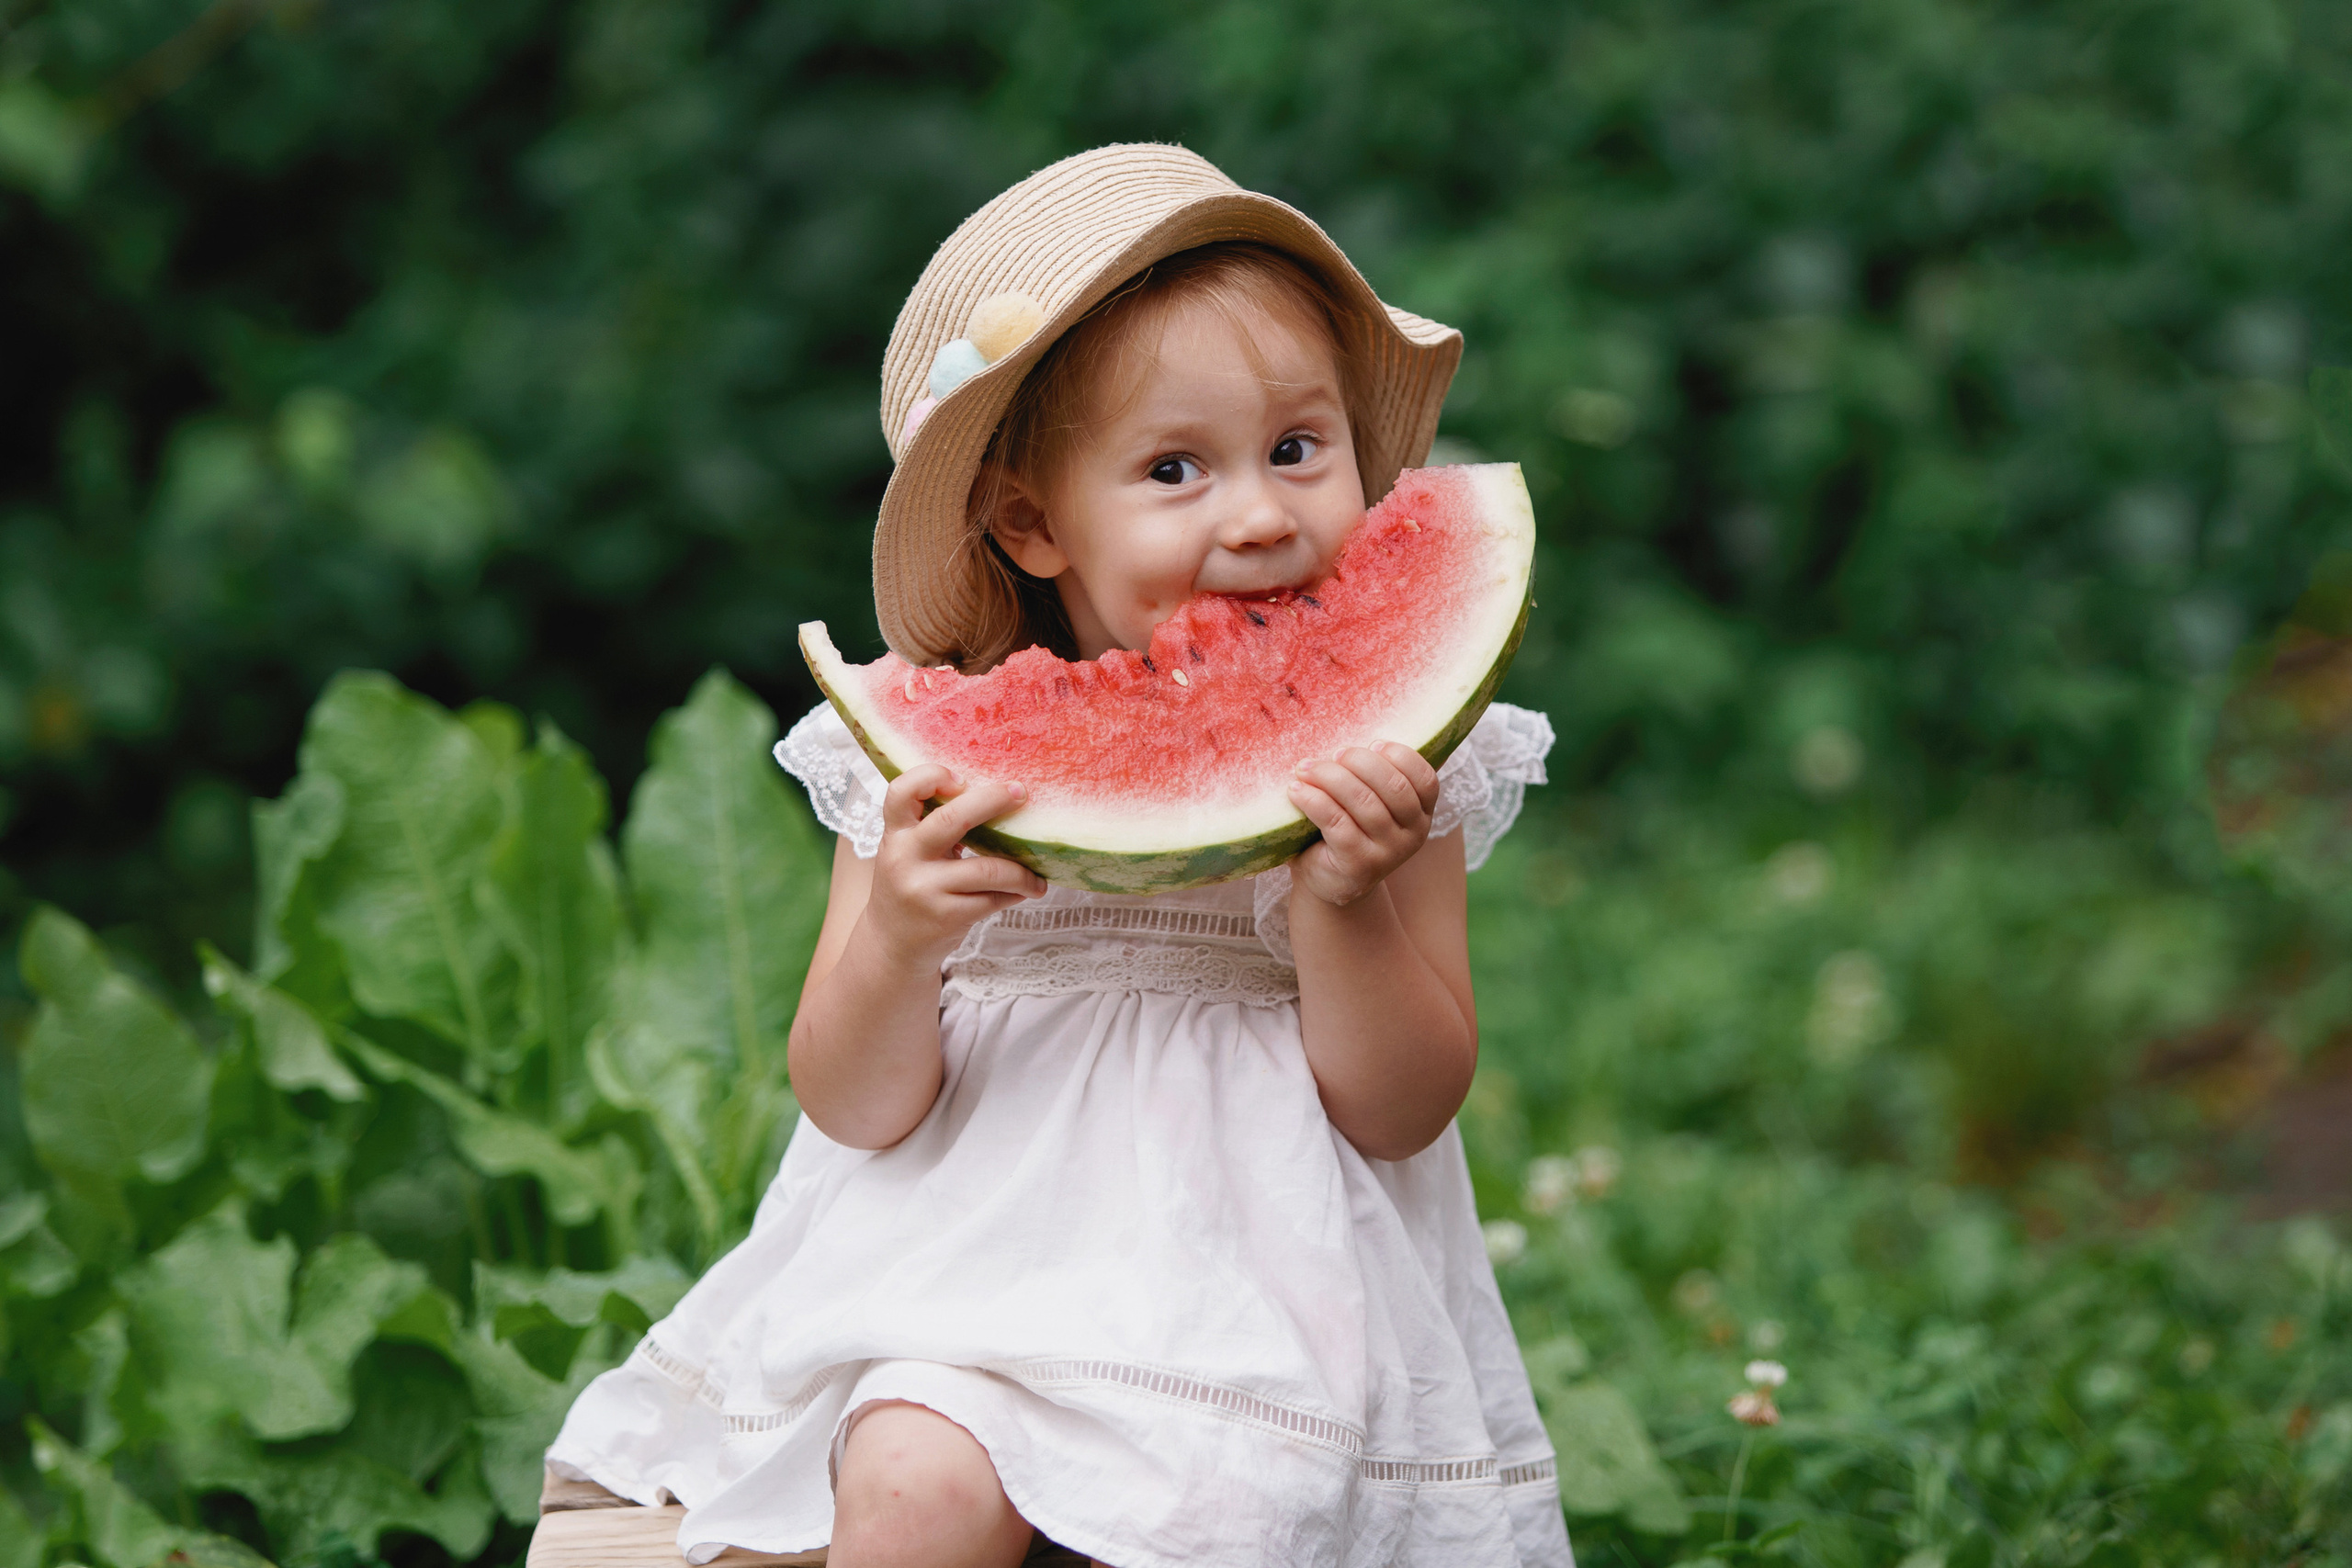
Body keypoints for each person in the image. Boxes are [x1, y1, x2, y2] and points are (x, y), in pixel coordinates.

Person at [548, 143, 1569, 1568]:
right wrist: (900, 939)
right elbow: (853, 1103)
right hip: (952, 1292)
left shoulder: (1401, 768)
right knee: (910, 1483)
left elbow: (1402, 1109)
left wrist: (1340, 903)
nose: (1261, 514)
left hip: (1259, 1327)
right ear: (1032, 521)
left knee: (1218, 1521)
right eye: (1173, 469)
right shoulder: (929, 774)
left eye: (1297, 447)